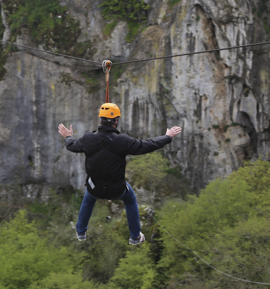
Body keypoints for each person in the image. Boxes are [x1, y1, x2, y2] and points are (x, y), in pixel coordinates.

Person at [58, 102, 182, 245]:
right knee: (130, 199)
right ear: (116, 121)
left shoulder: (88, 139)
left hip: (95, 187)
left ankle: (80, 232)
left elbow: (72, 145)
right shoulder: (123, 141)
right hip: (117, 189)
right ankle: (135, 237)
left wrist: (68, 136)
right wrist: (167, 137)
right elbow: (147, 145)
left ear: (100, 120)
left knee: (89, 197)